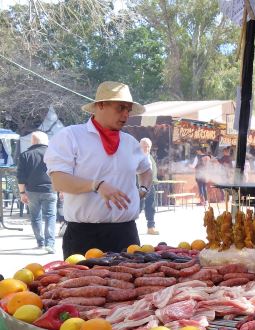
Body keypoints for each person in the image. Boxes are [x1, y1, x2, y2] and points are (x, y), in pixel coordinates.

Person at [44, 81, 152, 258]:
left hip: (126, 233)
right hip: (84, 235)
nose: (126, 114)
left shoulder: (130, 142)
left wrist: (143, 189)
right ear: (101, 105)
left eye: (128, 110)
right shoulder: (71, 136)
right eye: (120, 108)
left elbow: (146, 170)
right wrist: (97, 185)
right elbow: (59, 180)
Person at [17, 131, 57, 253]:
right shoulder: (53, 154)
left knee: (35, 217)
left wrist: (22, 193)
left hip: (32, 191)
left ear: (32, 141)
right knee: (50, 216)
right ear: (46, 141)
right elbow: (59, 172)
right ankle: (50, 244)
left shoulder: (25, 155)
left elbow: (20, 176)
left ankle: (40, 242)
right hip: (50, 189)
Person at [139, 138, 159, 235]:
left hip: (151, 186)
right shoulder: (137, 157)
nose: (146, 148)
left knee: (151, 206)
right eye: (144, 146)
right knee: (138, 207)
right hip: (140, 186)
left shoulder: (150, 157)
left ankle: (151, 227)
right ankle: (129, 226)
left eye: (148, 146)